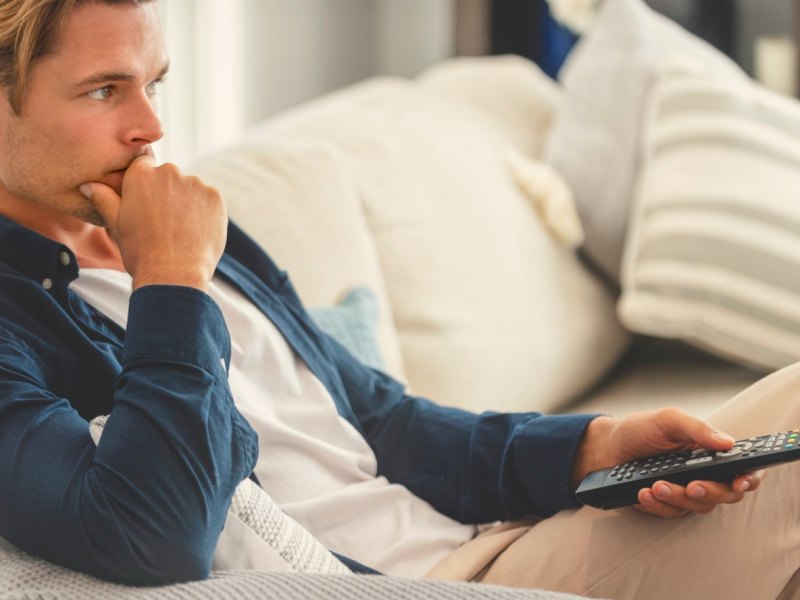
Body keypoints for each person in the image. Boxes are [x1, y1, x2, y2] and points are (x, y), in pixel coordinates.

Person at [0, 1, 796, 598]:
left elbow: (380, 420)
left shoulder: (197, 227)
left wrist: (596, 446)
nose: (151, 127)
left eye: (154, 83)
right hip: (429, 581)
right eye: (105, 91)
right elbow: (154, 536)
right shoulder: (63, 298)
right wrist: (169, 279)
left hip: (499, 535)